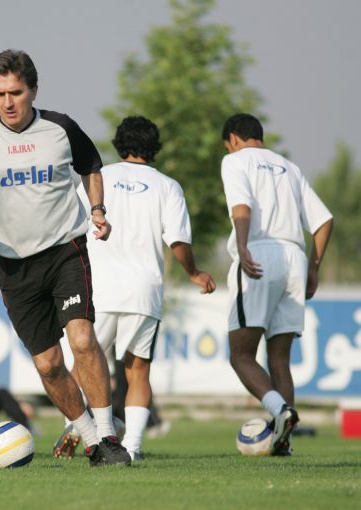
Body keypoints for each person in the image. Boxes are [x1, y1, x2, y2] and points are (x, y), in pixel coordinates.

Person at [0, 49, 131, 466]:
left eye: (16, 93)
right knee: (48, 364)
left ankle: (109, 437)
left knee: (82, 339)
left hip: (65, 251)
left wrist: (98, 210)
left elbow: (91, 167)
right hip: (14, 265)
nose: (8, 102)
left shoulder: (60, 128)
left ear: (34, 90)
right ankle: (91, 441)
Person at [55, 116, 216, 461]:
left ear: (118, 143)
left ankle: (75, 427)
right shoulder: (167, 186)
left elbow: (69, 225)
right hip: (144, 289)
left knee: (83, 362)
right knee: (138, 370)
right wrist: (194, 272)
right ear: (155, 147)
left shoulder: (97, 178)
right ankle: (133, 446)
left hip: (98, 286)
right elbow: (178, 241)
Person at [221, 113, 333, 456]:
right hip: (295, 259)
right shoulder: (290, 167)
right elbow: (324, 220)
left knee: (241, 355)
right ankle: (284, 443)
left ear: (233, 139)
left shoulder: (234, 160)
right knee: (280, 358)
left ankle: (280, 411)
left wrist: (243, 245)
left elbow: (241, 207)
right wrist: (313, 267)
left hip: (259, 254)